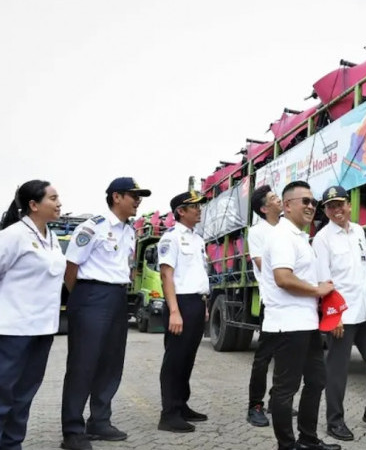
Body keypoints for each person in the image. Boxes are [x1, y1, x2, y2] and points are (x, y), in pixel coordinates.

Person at [61, 177, 151, 450]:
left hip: (116, 297)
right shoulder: (92, 227)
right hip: (90, 296)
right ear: (116, 197)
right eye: (133, 195)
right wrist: (85, 297)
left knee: (111, 362)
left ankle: (99, 421)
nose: (138, 201)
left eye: (140, 196)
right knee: (83, 364)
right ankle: (73, 431)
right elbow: (71, 268)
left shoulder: (129, 231)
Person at [312, 186, 366, 442]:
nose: (336, 210)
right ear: (325, 211)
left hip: (365, 309)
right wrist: (333, 315)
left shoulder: (359, 230)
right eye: (330, 207)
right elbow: (323, 281)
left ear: (349, 205)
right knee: (337, 369)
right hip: (342, 315)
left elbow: (364, 268)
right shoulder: (322, 239)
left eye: (339, 204)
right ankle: (334, 421)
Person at [261, 181, 339, 450]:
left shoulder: (300, 237)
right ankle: (287, 444)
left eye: (312, 202)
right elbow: (283, 278)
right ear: (287, 205)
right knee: (286, 389)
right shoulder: (282, 235)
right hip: (287, 325)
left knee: (317, 381)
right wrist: (317, 290)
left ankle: (308, 439)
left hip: (306, 323)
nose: (310, 206)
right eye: (304, 201)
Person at [0, 180, 66, 450]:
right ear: (33, 205)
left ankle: (12, 445)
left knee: (24, 395)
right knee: (3, 394)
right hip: (13, 330)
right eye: (53, 198)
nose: (59, 202)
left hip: (42, 329)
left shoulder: (51, 237)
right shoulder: (14, 235)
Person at [157, 191, 210, 433]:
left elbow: (198, 275)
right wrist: (174, 311)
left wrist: (205, 306)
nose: (199, 209)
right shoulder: (172, 238)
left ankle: (181, 405)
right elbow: (166, 275)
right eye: (194, 207)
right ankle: (169, 414)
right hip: (180, 303)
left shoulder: (197, 239)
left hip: (197, 303)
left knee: (188, 358)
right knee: (175, 360)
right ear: (180, 211)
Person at [245, 185, 283, 427]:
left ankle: (277, 402)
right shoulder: (258, 232)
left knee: (285, 358)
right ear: (263, 208)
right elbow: (262, 265)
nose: (279, 200)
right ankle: (254, 406)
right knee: (263, 358)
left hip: (291, 304)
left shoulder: (286, 229)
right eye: (273, 198)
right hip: (272, 301)